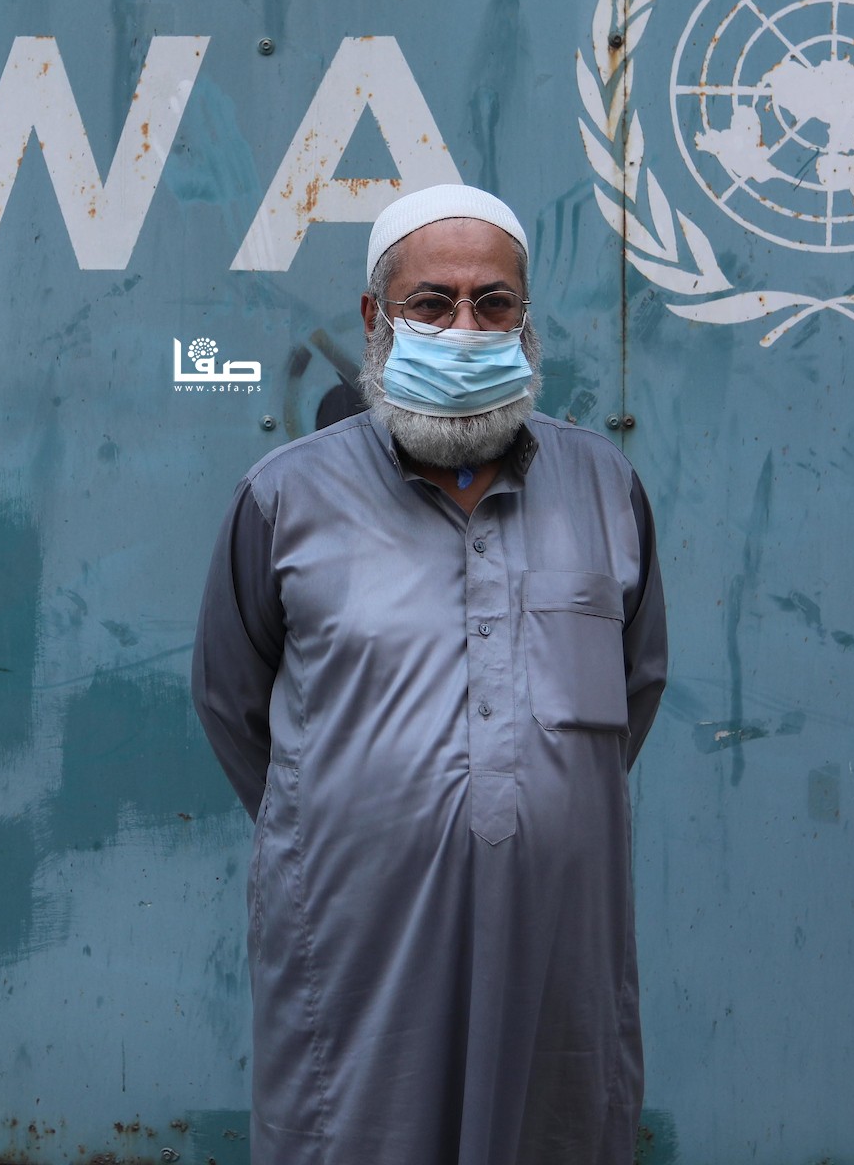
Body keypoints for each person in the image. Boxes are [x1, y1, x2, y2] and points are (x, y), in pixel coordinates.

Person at [192, 183, 669, 1165]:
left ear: (526, 322)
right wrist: (352, 810)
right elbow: (233, 704)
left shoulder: (604, 489)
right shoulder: (286, 496)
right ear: (376, 315)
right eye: (431, 303)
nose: (464, 328)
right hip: (357, 943)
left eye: (493, 303)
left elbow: (636, 688)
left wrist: (534, 805)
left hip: (556, 944)